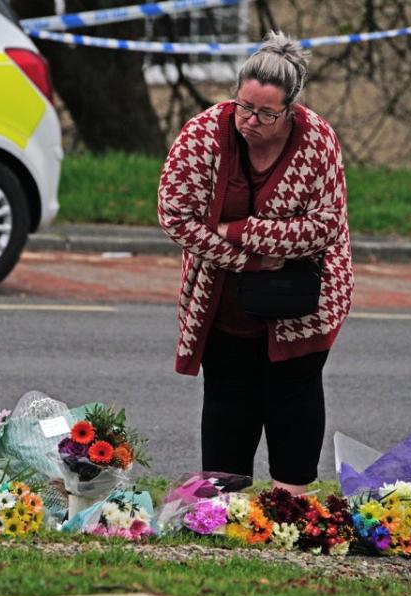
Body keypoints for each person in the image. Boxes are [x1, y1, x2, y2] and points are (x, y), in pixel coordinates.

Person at [157, 31, 353, 495]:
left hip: (305, 299)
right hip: (224, 302)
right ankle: (223, 507)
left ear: (290, 109)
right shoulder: (203, 134)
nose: (251, 120)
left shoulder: (317, 141)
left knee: (294, 397)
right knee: (227, 400)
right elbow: (174, 215)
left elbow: (325, 225)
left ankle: (291, 507)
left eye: (267, 113)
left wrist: (239, 231)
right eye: (244, 106)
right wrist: (246, 259)